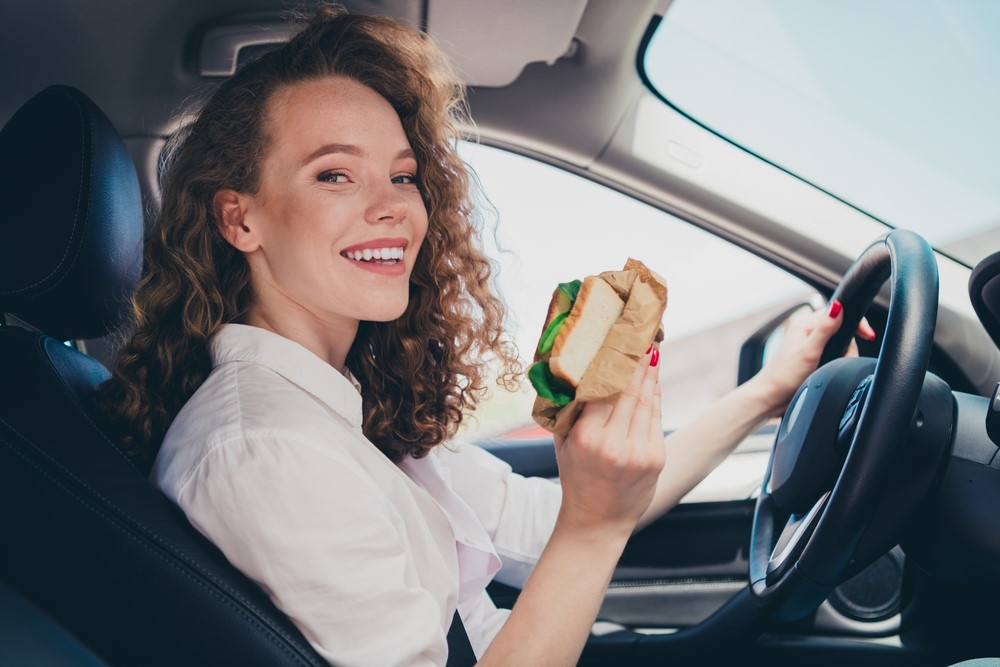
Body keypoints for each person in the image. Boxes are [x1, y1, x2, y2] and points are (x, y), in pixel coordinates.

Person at [95, 6, 873, 666]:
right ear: (242, 218)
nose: (393, 206)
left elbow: (547, 520)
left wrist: (770, 389)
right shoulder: (265, 450)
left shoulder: (342, 409)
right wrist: (594, 526)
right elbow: (580, 525)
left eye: (402, 175)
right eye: (335, 174)